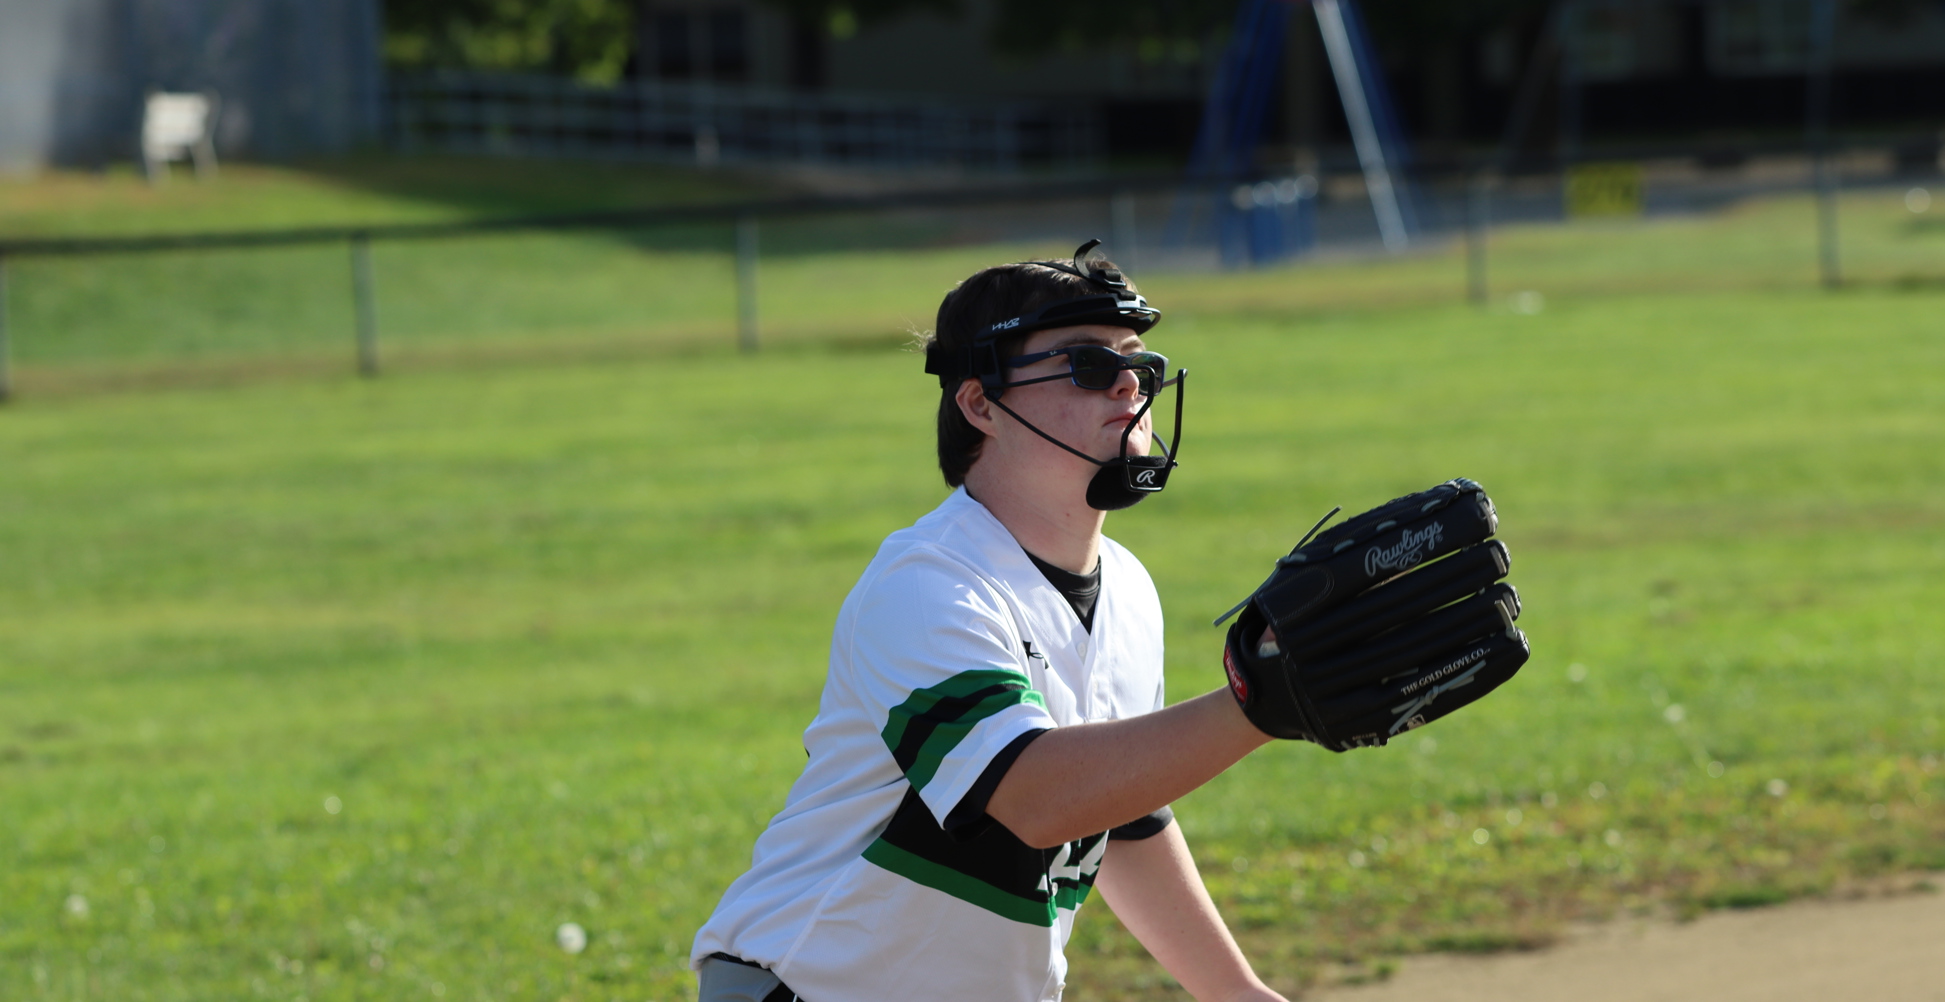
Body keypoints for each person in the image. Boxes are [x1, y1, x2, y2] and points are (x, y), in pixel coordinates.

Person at [691, 243, 1289, 1002]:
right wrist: (1257, 706)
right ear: (980, 404)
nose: (1130, 386)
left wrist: (1237, 993)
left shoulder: (1129, 590)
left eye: (1138, 363)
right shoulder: (928, 585)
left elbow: (1122, 815)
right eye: (1088, 364)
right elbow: (1036, 800)